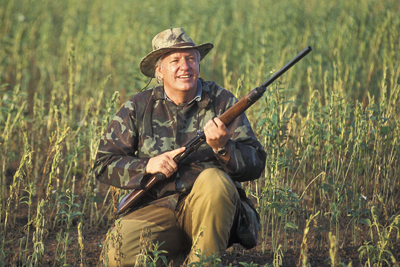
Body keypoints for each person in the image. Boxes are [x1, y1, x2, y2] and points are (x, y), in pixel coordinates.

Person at [94, 28, 266, 267]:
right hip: (158, 205)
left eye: (191, 59)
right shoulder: (137, 107)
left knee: (214, 180)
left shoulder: (223, 102)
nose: (185, 66)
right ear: (159, 71)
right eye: (174, 60)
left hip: (210, 207)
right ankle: (177, 253)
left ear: (198, 64)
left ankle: (202, 261)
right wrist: (147, 166)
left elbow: (256, 164)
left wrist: (223, 148)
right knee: (116, 256)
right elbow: (104, 164)